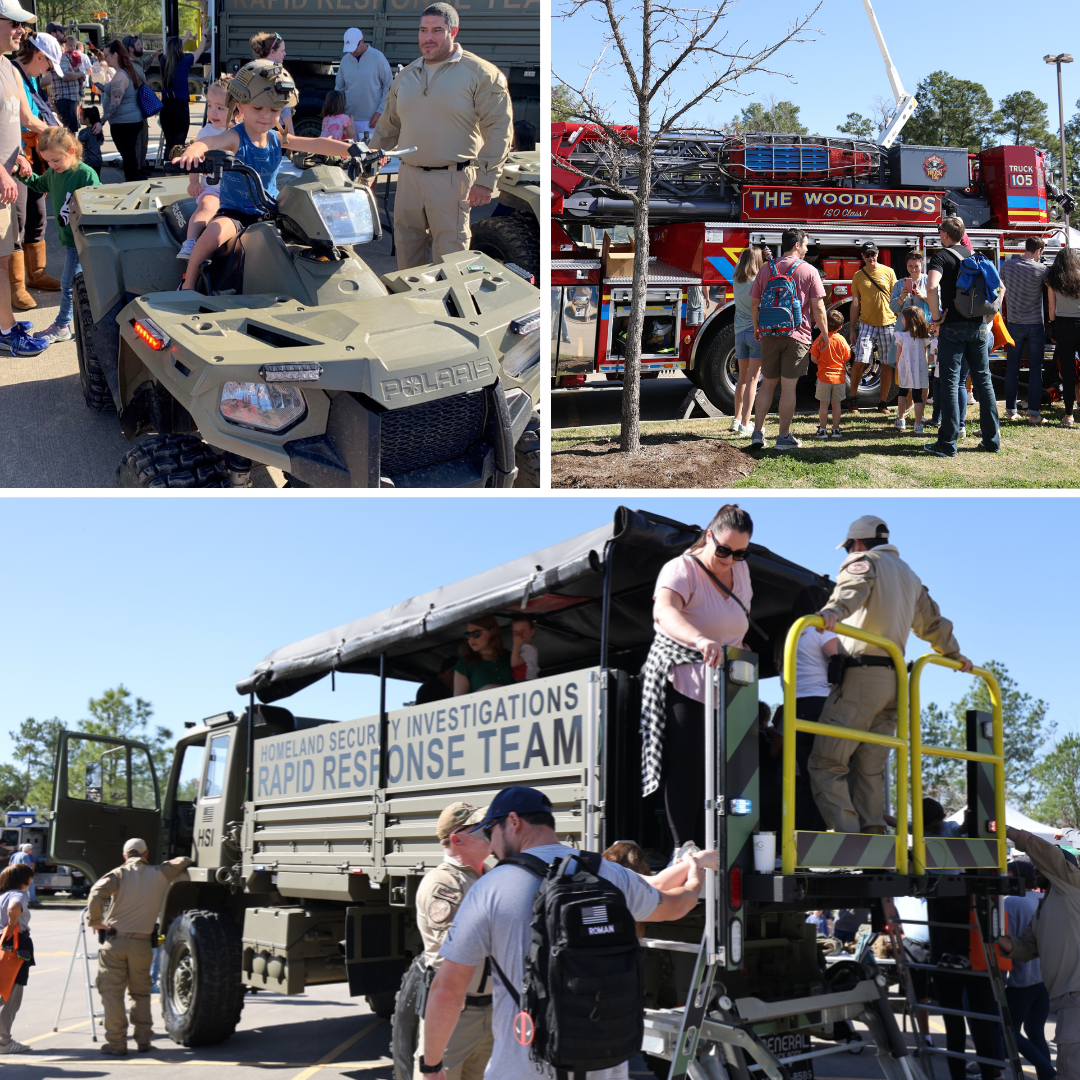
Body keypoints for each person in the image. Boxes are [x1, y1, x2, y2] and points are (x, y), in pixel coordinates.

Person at [420, 786, 714, 1080]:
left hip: (523, 1070)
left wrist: (431, 1066)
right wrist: (695, 869)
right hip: (604, 1066)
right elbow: (678, 905)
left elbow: (448, 990)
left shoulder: (489, 888)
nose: (491, 845)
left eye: (490, 833)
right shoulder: (609, 873)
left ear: (513, 822)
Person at [809, 515, 971, 834]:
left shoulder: (863, 562)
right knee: (869, 769)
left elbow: (853, 589)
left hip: (861, 678)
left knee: (826, 763)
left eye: (848, 550)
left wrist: (833, 611)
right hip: (896, 681)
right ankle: (874, 837)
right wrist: (954, 654)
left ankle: (848, 839)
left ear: (855, 545)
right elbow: (931, 623)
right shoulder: (909, 575)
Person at [173, 60, 356, 291]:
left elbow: (316, 143)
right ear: (240, 107)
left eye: (274, 110)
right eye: (258, 108)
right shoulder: (234, 137)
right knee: (210, 236)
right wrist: (193, 151)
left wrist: (351, 149)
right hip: (237, 213)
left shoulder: (276, 137)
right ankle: (187, 285)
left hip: (272, 210)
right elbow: (209, 142)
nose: (266, 116)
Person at [369, 3, 513, 271]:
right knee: (407, 249)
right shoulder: (406, 75)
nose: (428, 38)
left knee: (451, 256)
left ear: (453, 31)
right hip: (408, 177)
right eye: (423, 30)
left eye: (437, 30)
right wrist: (369, 167)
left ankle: (451, 311)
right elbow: (388, 127)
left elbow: (499, 129)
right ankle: (412, 308)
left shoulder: (481, 74)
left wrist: (486, 179)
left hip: (453, 179)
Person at [643, 503, 754, 849]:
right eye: (723, 550)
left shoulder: (742, 571)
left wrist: (741, 647)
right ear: (709, 536)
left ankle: (726, 844)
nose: (729, 559)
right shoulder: (680, 569)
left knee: (731, 771)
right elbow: (664, 612)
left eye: (739, 553)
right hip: (687, 679)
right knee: (690, 768)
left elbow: (736, 624)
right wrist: (701, 639)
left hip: (730, 685)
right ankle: (684, 846)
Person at [86, 837, 193, 1055]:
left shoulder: (119, 874)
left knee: (112, 994)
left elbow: (97, 893)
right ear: (146, 854)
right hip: (143, 945)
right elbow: (184, 860)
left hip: (115, 943)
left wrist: (95, 920)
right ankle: (143, 1040)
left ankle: (116, 1043)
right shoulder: (161, 872)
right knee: (141, 994)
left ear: (125, 856)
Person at [414, 802, 494, 1080]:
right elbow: (456, 954)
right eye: (481, 827)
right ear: (458, 839)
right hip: (456, 1017)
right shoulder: (445, 884)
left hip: (493, 1011)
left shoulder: (490, 875)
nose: (490, 830)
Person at [999, 825, 1080, 1080]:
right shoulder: (1045, 905)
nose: (1035, 869)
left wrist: (1007, 831)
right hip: (1065, 998)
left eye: (1040, 866)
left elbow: (1045, 854)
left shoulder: (1071, 883)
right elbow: (1026, 948)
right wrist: (995, 939)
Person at [925, 215, 1002, 457]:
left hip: (952, 327)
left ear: (945, 235)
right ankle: (992, 441)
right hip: (978, 327)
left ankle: (947, 444)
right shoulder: (976, 256)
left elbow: (930, 286)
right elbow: (1000, 288)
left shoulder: (940, 256)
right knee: (984, 382)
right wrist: (987, 319)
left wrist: (936, 317)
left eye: (940, 231)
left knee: (949, 382)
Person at [16, 123, 100, 343]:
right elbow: (38, 183)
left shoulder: (85, 174)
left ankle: (62, 325)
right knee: (80, 282)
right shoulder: (54, 174)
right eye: (48, 162)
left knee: (68, 282)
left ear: (71, 151)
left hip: (81, 239)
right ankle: (92, 321)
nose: (53, 166)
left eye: (56, 160)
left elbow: (98, 204)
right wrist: (21, 173)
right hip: (71, 238)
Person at [747, 227, 829, 450]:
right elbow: (818, 307)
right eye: (805, 245)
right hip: (797, 334)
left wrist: (757, 328)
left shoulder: (767, 269)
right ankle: (783, 437)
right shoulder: (808, 270)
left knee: (767, 385)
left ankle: (757, 432)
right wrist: (824, 333)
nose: (806, 249)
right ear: (796, 245)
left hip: (769, 332)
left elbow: (754, 302)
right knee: (789, 387)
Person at [0, 1, 50, 357]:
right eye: (15, 23)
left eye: (23, 26)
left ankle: (4, 321)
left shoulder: (7, 67)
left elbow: (21, 119)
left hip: (6, 175)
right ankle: (5, 331)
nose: (22, 31)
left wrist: (16, 153)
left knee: (3, 257)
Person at [10, 31, 61, 309]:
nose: (48, 72)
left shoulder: (27, 75)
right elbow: (27, 119)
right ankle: (16, 286)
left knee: (37, 214)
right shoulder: (13, 72)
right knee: (17, 220)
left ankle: (36, 273)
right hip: (15, 156)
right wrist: (59, 134)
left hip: (30, 154)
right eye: (49, 65)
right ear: (40, 56)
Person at [787, 584, 834, 833]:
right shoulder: (820, 629)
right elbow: (839, 661)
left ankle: (802, 840)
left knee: (807, 780)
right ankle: (826, 839)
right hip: (822, 703)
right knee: (830, 774)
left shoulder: (792, 635)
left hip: (797, 707)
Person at [1003, 860, 1055, 1080]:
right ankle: (1048, 1077)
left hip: (1021, 979)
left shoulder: (1011, 902)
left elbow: (1009, 940)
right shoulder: (1043, 900)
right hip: (1044, 978)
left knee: (1010, 1032)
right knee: (1035, 1032)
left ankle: (1050, 1074)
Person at [175, 77, 229, 261]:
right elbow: (195, 159)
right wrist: (193, 181)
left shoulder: (241, 132)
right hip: (213, 188)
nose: (213, 112)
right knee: (206, 207)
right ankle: (191, 242)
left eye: (220, 108)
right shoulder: (206, 132)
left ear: (238, 109)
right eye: (210, 105)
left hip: (238, 188)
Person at [1000, 238, 1049, 424]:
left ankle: (1011, 412)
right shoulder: (1042, 270)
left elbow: (999, 287)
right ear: (1038, 250)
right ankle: (1034, 415)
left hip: (1014, 323)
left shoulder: (1008, 266)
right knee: (1036, 370)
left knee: (1012, 369)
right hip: (1036, 324)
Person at [846, 241, 897, 415]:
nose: (870, 258)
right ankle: (853, 399)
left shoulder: (888, 272)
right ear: (862, 256)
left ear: (877, 254)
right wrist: (852, 329)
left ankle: (883, 402)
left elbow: (897, 298)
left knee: (887, 364)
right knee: (860, 360)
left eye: (873, 254)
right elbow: (854, 304)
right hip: (866, 324)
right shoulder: (858, 276)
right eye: (867, 255)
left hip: (888, 323)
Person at [94, 40, 146, 182]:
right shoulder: (127, 72)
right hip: (131, 121)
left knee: (128, 157)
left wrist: (101, 121)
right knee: (130, 156)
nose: (105, 59)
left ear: (115, 55)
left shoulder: (120, 75)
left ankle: (132, 185)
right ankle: (133, 183)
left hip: (124, 123)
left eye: (107, 55)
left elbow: (115, 101)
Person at [0, 861, 35, 1054]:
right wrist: (13, 926)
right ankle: (4, 1041)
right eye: (30, 876)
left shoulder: (2, 895)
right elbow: (13, 909)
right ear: (23, 879)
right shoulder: (19, 894)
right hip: (14, 945)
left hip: (1, 944)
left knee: (3, 987)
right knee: (12, 995)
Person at [335, 28, 392, 141]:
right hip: (349, 120)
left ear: (362, 41)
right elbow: (339, 89)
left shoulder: (378, 57)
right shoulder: (345, 61)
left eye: (354, 48)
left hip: (372, 121)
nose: (352, 52)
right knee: (349, 157)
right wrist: (340, 114)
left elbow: (389, 86)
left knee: (369, 156)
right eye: (349, 49)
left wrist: (379, 112)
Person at [730, 245, 762, 435]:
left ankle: (735, 419)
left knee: (742, 378)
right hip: (755, 332)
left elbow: (738, 265)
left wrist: (745, 255)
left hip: (739, 332)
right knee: (753, 379)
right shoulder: (757, 282)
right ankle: (745, 423)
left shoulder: (736, 279)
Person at [1047, 246, 1080, 429]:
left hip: (1063, 325)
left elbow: (1052, 308)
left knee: (1067, 372)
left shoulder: (1054, 279)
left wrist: (1053, 330)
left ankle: (1069, 415)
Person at [810, 307, 849, 439]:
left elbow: (813, 358)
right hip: (839, 378)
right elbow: (847, 356)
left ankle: (822, 430)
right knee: (836, 405)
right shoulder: (841, 340)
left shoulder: (821, 339)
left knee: (823, 405)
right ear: (840, 326)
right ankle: (836, 429)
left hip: (823, 378)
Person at [894, 306, 931, 434]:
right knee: (918, 397)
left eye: (903, 317)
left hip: (904, 369)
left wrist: (897, 368)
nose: (902, 319)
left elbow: (898, 355)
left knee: (902, 393)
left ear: (908, 320)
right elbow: (925, 354)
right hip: (919, 370)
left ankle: (901, 419)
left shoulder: (901, 336)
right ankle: (918, 424)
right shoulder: (924, 337)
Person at [453, 617, 513, 695]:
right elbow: (458, 702)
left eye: (476, 634)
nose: (471, 639)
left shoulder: (510, 657)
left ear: (492, 631)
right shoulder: (464, 662)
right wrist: (486, 690)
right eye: (467, 635)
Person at [249, 34, 293, 135]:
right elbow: (284, 109)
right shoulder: (278, 74)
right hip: (274, 130)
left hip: (252, 128)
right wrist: (291, 136)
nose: (285, 53)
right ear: (272, 52)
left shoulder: (253, 69)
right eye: (282, 51)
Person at [159, 36, 194, 153]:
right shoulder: (186, 60)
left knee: (169, 143)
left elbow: (173, 50)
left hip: (166, 106)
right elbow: (200, 50)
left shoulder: (163, 61)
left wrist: (179, 43)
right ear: (180, 48)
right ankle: (177, 169)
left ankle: (167, 167)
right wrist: (204, 35)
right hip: (180, 106)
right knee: (179, 143)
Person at [50, 34, 88, 133]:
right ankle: (69, 148)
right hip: (65, 98)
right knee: (68, 131)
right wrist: (80, 74)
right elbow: (66, 76)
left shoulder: (67, 55)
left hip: (70, 98)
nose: (63, 34)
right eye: (61, 32)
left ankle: (71, 147)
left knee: (71, 129)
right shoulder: (59, 56)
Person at [509, 613, 539, 681]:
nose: (518, 633)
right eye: (515, 631)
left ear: (532, 632)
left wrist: (516, 643)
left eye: (522, 630)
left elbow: (514, 663)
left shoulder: (530, 649)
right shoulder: (520, 648)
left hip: (527, 679)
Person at [78, 104, 103, 175]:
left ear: (86, 120)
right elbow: (101, 142)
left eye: (81, 116)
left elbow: (78, 143)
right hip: (98, 160)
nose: (80, 118)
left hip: (88, 161)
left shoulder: (84, 132)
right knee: (97, 177)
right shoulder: (98, 131)